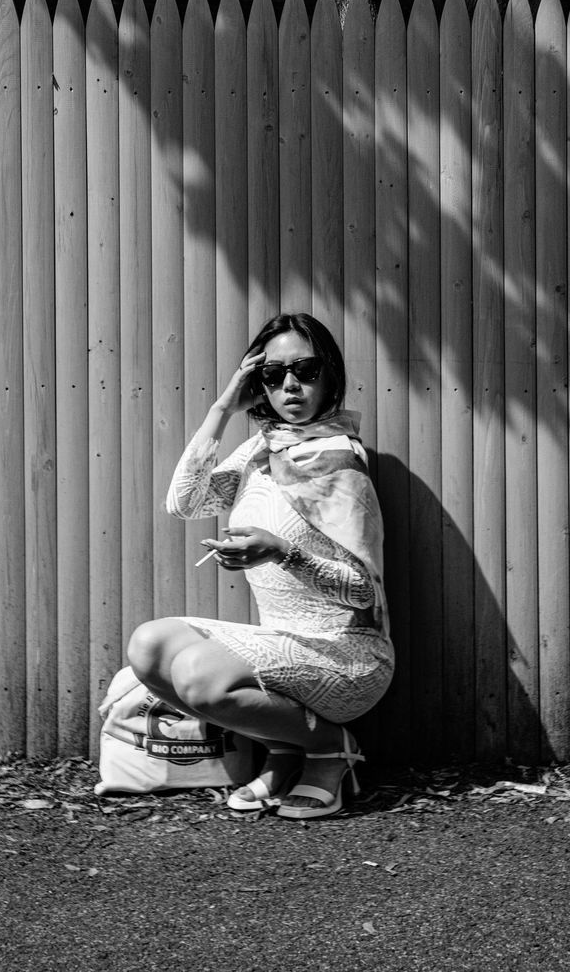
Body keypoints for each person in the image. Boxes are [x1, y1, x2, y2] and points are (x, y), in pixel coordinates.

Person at [126, 312, 391, 819]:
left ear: (330, 376)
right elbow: (184, 502)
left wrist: (280, 552)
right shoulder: (261, 451)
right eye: (273, 375)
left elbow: (364, 593)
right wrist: (223, 408)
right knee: (149, 647)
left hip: (346, 657)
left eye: (306, 371)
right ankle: (288, 751)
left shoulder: (339, 462)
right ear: (258, 383)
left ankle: (330, 749)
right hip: (281, 644)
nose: (290, 384)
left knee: (201, 675)